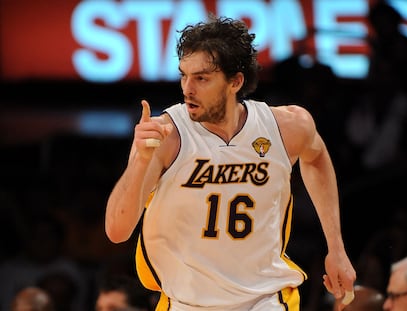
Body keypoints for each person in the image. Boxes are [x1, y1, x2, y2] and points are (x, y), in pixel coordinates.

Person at [105, 15, 356, 310]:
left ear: (235, 81)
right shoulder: (166, 135)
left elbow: (316, 158)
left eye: (202, 78)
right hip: (186, 302)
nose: (188, 88)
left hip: (266, 300)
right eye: (184, 75)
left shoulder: (287, 126)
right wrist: (140, 161)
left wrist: (336, 248)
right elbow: (116, 231)